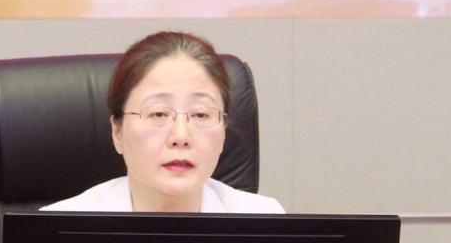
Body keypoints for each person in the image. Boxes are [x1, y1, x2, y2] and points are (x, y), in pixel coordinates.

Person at [41, 31, 284, 213]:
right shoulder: (57, 230)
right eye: (158, 114)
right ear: (117, 132)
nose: (181, 137)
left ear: (223, 132)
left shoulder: (264, 223)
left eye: (200, 114)